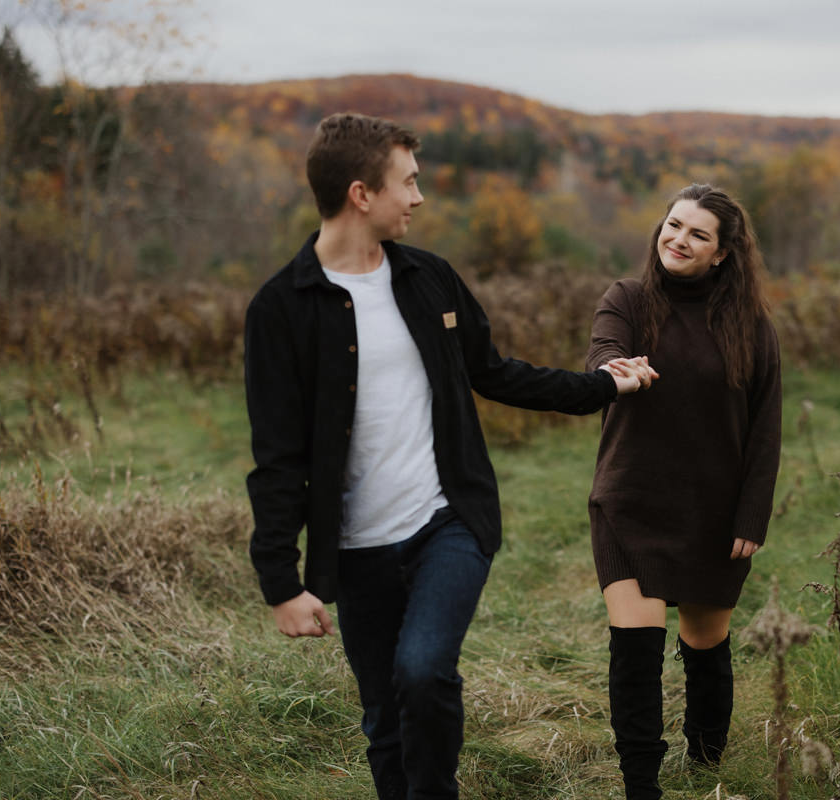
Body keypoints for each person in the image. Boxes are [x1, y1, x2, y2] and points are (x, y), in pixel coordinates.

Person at [243, 112, 655, 800]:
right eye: (407, 181)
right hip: (354, 551)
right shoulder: (281, 309)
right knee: (385, 720)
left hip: (448, 522)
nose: (419, 196)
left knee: (424, 670)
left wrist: (600, 386)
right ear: (360, 194)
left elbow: (493, 372)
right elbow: (277, 457)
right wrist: (281, 581)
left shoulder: (429, 279)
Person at [586, 184, 782, 798]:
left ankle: (705, 765)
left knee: (705, 643)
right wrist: (617, 368)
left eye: (698, 234)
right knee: (637, 648)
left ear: (722, 253)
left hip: (713, 509)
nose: (679, 239)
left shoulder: (749, 326)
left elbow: (765, 429)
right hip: (629, 497)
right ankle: (641, 783)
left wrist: (751, 514)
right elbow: (604, 348)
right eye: (673, 225)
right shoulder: (628, 299)